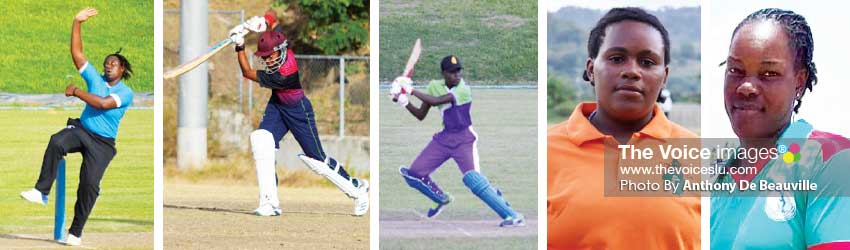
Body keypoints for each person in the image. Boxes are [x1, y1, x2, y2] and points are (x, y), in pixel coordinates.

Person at [547, 8, 700, 249]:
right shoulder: (548, 150)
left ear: (664, 77)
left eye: (647, 62)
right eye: (617, 58)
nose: (631, 71)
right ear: (590, 69)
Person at [711, 8, 850, 249]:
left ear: (799, 81)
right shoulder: (714, 179)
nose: (746, 87)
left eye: (769, 73)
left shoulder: (830, 160)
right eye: (735, 70)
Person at [228, 17, 369, 216]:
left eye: (270, 56)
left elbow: (246, 72)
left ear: (282, 50)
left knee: (317, 160)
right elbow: (274, 29)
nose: (268, 60)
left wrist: (240, 46)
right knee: (261, 140)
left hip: (298, 111)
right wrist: (260, 24)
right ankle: (269, 203)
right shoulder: (283, 45)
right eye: (265, 56)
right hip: (277, 105)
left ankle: (357, 190)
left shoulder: (283, 75)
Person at [19, 7, 135, 246]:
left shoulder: (126, 92)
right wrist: (76, 22)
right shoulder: (96, 79)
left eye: (113, 63)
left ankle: (76, 232)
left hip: (103, 144)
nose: (108, 65)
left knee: (89, 186)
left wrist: (76, 91)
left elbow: (103, 104)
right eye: (106, 63)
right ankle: (42, 192)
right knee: (57, 140)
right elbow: (77, 53)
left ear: (122, 69)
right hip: (82, 130)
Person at [389, 55, 525, 227]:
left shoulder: (463, 89)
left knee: (474, 180)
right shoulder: (434, 86)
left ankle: (512, 215)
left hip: (464, 139)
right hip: (444, 138)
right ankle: (440, 198)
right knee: (413, 174)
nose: (457, 75)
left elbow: (438, 101)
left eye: (458, 71)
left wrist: (410, 90)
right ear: (444, 73)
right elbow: (421, 115)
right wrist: (404, 101)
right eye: (452, 72)